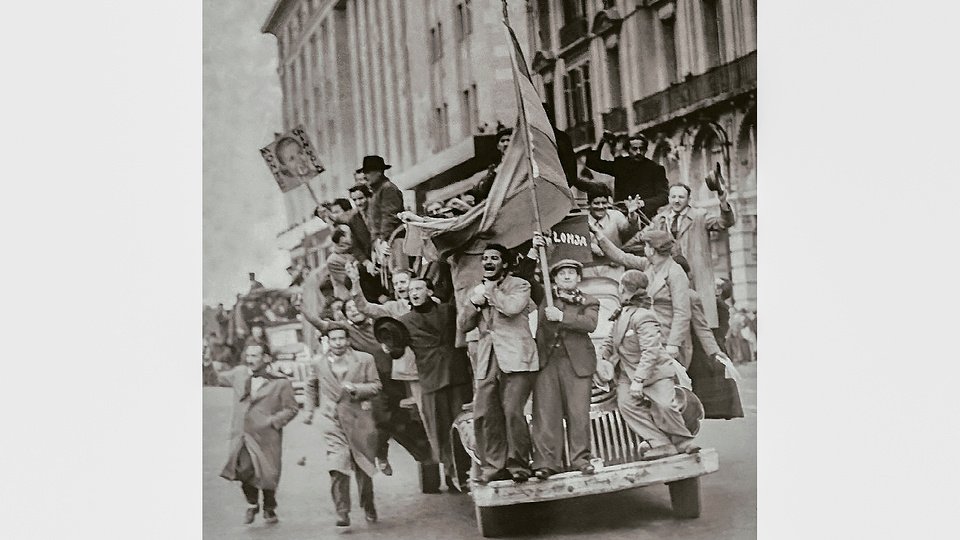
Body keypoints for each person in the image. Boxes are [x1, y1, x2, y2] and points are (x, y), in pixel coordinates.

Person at [595, 270, 699, 461]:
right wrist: (600, 357)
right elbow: (610, 340)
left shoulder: (644, 316)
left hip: (653, 373)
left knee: (666, 405)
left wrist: (639, 381)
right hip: (628, 373)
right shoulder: (622, 313)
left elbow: (650, 351)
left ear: (624, 288)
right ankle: (660, 443)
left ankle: (683, 441)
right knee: (626, 405)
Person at [459, 244, 539, 484]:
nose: (488, 262)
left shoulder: (520, 285)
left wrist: (490, 292)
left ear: (504, 263)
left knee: (513, 411)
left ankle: (519, 465)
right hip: (487, 358)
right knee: (485, 413)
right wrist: (474, 303)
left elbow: (513, 308)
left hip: (517, 357)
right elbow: (463, 325)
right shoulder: (477, 290)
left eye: (494, 258)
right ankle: (493, 467)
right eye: (485, 258)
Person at [295, 297, 398, 476]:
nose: (354, 310)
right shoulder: (344, 331)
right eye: (349, 309)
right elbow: (319, 324)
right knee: (371, 425)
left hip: (388, 379)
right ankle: (366, 459)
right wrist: (303, 309)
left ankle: (381, 453)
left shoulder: (378, 325)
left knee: (387, 422)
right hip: (362, 384)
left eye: (356, 307)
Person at [397, 277, 473, 491]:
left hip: (457, 375)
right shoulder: (404, 321)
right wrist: (389, 346)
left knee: (463, 424)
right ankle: (450, 472)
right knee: (439, 428)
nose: (414, 292)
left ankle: (465, 470)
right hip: (431, 379)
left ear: (429, 291)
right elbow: (397, 349)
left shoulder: (449, 311)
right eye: (411, 289)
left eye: (419, 288)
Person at [307, 322, 382, 528]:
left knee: (363, 467)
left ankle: (368, 504)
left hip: (359, 419)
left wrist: (356, 388)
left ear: (348, 340)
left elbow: (377, 386)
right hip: (332, 421)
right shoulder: (318, 362)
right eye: (333, 339)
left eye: (342, 338)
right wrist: (310, 409)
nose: (338, 343)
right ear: (327, 342)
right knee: (337, 465)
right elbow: (311, 384)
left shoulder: (365, 360)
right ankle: (342, 512)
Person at [530, 259, 600, 479]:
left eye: (572, 273)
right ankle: (546, 463)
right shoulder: (544, 297)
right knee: (546, 413)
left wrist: (562, 317)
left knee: (578, 413)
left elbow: (590, 324)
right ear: (555, 278)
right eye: (562, 274)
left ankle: (581, 459)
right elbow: (527, 279)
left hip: (577, 364)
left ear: (579, 278)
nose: (567, 277)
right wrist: (536, 252)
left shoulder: (589, 301)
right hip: (548, 362)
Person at [632, 182, 735, 329]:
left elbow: (725, 222)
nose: (676, 200)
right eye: (673, 196)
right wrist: (632, 215)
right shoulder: (660, 219)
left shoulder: (700, 216)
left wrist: (723, 202)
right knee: (672, 322)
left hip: (695, 278)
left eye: (681, 197)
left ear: (689, 199)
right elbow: (641, 237)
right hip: (668, 277)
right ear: (668, 198)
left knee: (699, 324)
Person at [217, 343, 298, 525]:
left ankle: (269, 506)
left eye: (255, 355)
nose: (250, 359)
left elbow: (291, 408)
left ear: (266, 358)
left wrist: (273, 422)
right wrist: (205, 362)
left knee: (268, 473)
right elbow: (217, 378)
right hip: (242, 435)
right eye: (249, 355)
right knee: (243, 469)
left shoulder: (280, 382)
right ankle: (252, 503)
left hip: (266, 436)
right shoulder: (239, 374)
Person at [589, 225, 692, 366]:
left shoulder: (675, 273)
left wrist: (673, 344)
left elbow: (682, 312)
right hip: (647, 334)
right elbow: (622, 257)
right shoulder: (649, 265)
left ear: (652, 249)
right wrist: (599, 236)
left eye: (646, 245)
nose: (644, 249)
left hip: (666, 338)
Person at [584, 132, 669, 217]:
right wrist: (601, 142)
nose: (638, 152)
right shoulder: (620, 165)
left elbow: (664, 196)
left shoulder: (656, 169)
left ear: (646, 150)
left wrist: (643, 203)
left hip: (646, 217)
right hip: (621, 216)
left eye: (641, 149)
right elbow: (592, 163)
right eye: (634, 149)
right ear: (628, 150)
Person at [358, 155, 405, 270]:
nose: (365, 175)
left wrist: (383, 240)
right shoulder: (377, 192)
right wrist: (376, 244)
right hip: (384, 242)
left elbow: (389, 217)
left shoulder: (388, 189)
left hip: (393, 241)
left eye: (368, 172)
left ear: (379, 172)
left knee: (399, 274)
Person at [316, 198, 373, 264]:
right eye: (333, 213)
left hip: (365, 257)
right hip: (361, 258)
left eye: (337, 212)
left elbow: (347, 247)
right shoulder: (342, 226)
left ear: (348, 211)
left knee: (332, 261)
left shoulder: (354, 223)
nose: (335, 216)